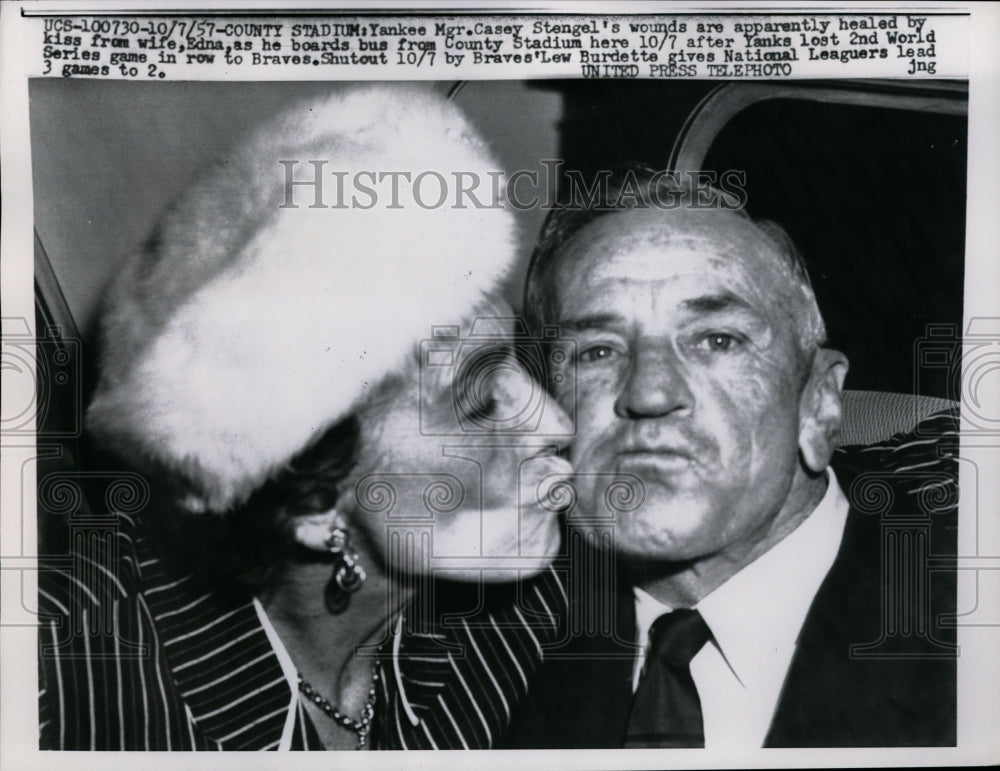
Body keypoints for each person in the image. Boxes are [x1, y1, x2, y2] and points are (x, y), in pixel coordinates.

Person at [36, 85, 573, 750]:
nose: (556, 423)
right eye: (482, 403)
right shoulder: (60, 689)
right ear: (316, 508)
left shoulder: (529, 617)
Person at [486, 171, 957, 748]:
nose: (650, 393)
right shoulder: (490, 649)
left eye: (717, 340)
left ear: (820, 402)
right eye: (597, 351)